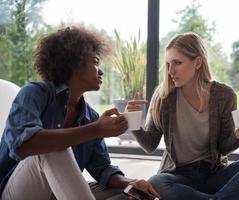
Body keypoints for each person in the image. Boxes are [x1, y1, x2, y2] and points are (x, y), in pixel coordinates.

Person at [0, 25, 159, 200]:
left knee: (128, 191)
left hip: (57, 193)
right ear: (74, 63)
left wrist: (130, 182)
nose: (101, 71)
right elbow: (23, 145)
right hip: (16, 193)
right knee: (54, 148)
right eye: (95, 62)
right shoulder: (34, 93)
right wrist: (95, 130)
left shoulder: (90, 116)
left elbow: (103, 169)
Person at [126, 32, 239, 200]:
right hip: (179, 176)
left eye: (177, 63)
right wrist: (132, 121)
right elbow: (150, 145)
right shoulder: (163, 97)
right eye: (168, 64)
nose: (170, 71)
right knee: (157, 183)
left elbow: (224, 147)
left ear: (198, 62)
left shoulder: (224, 95)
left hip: (215, 174)